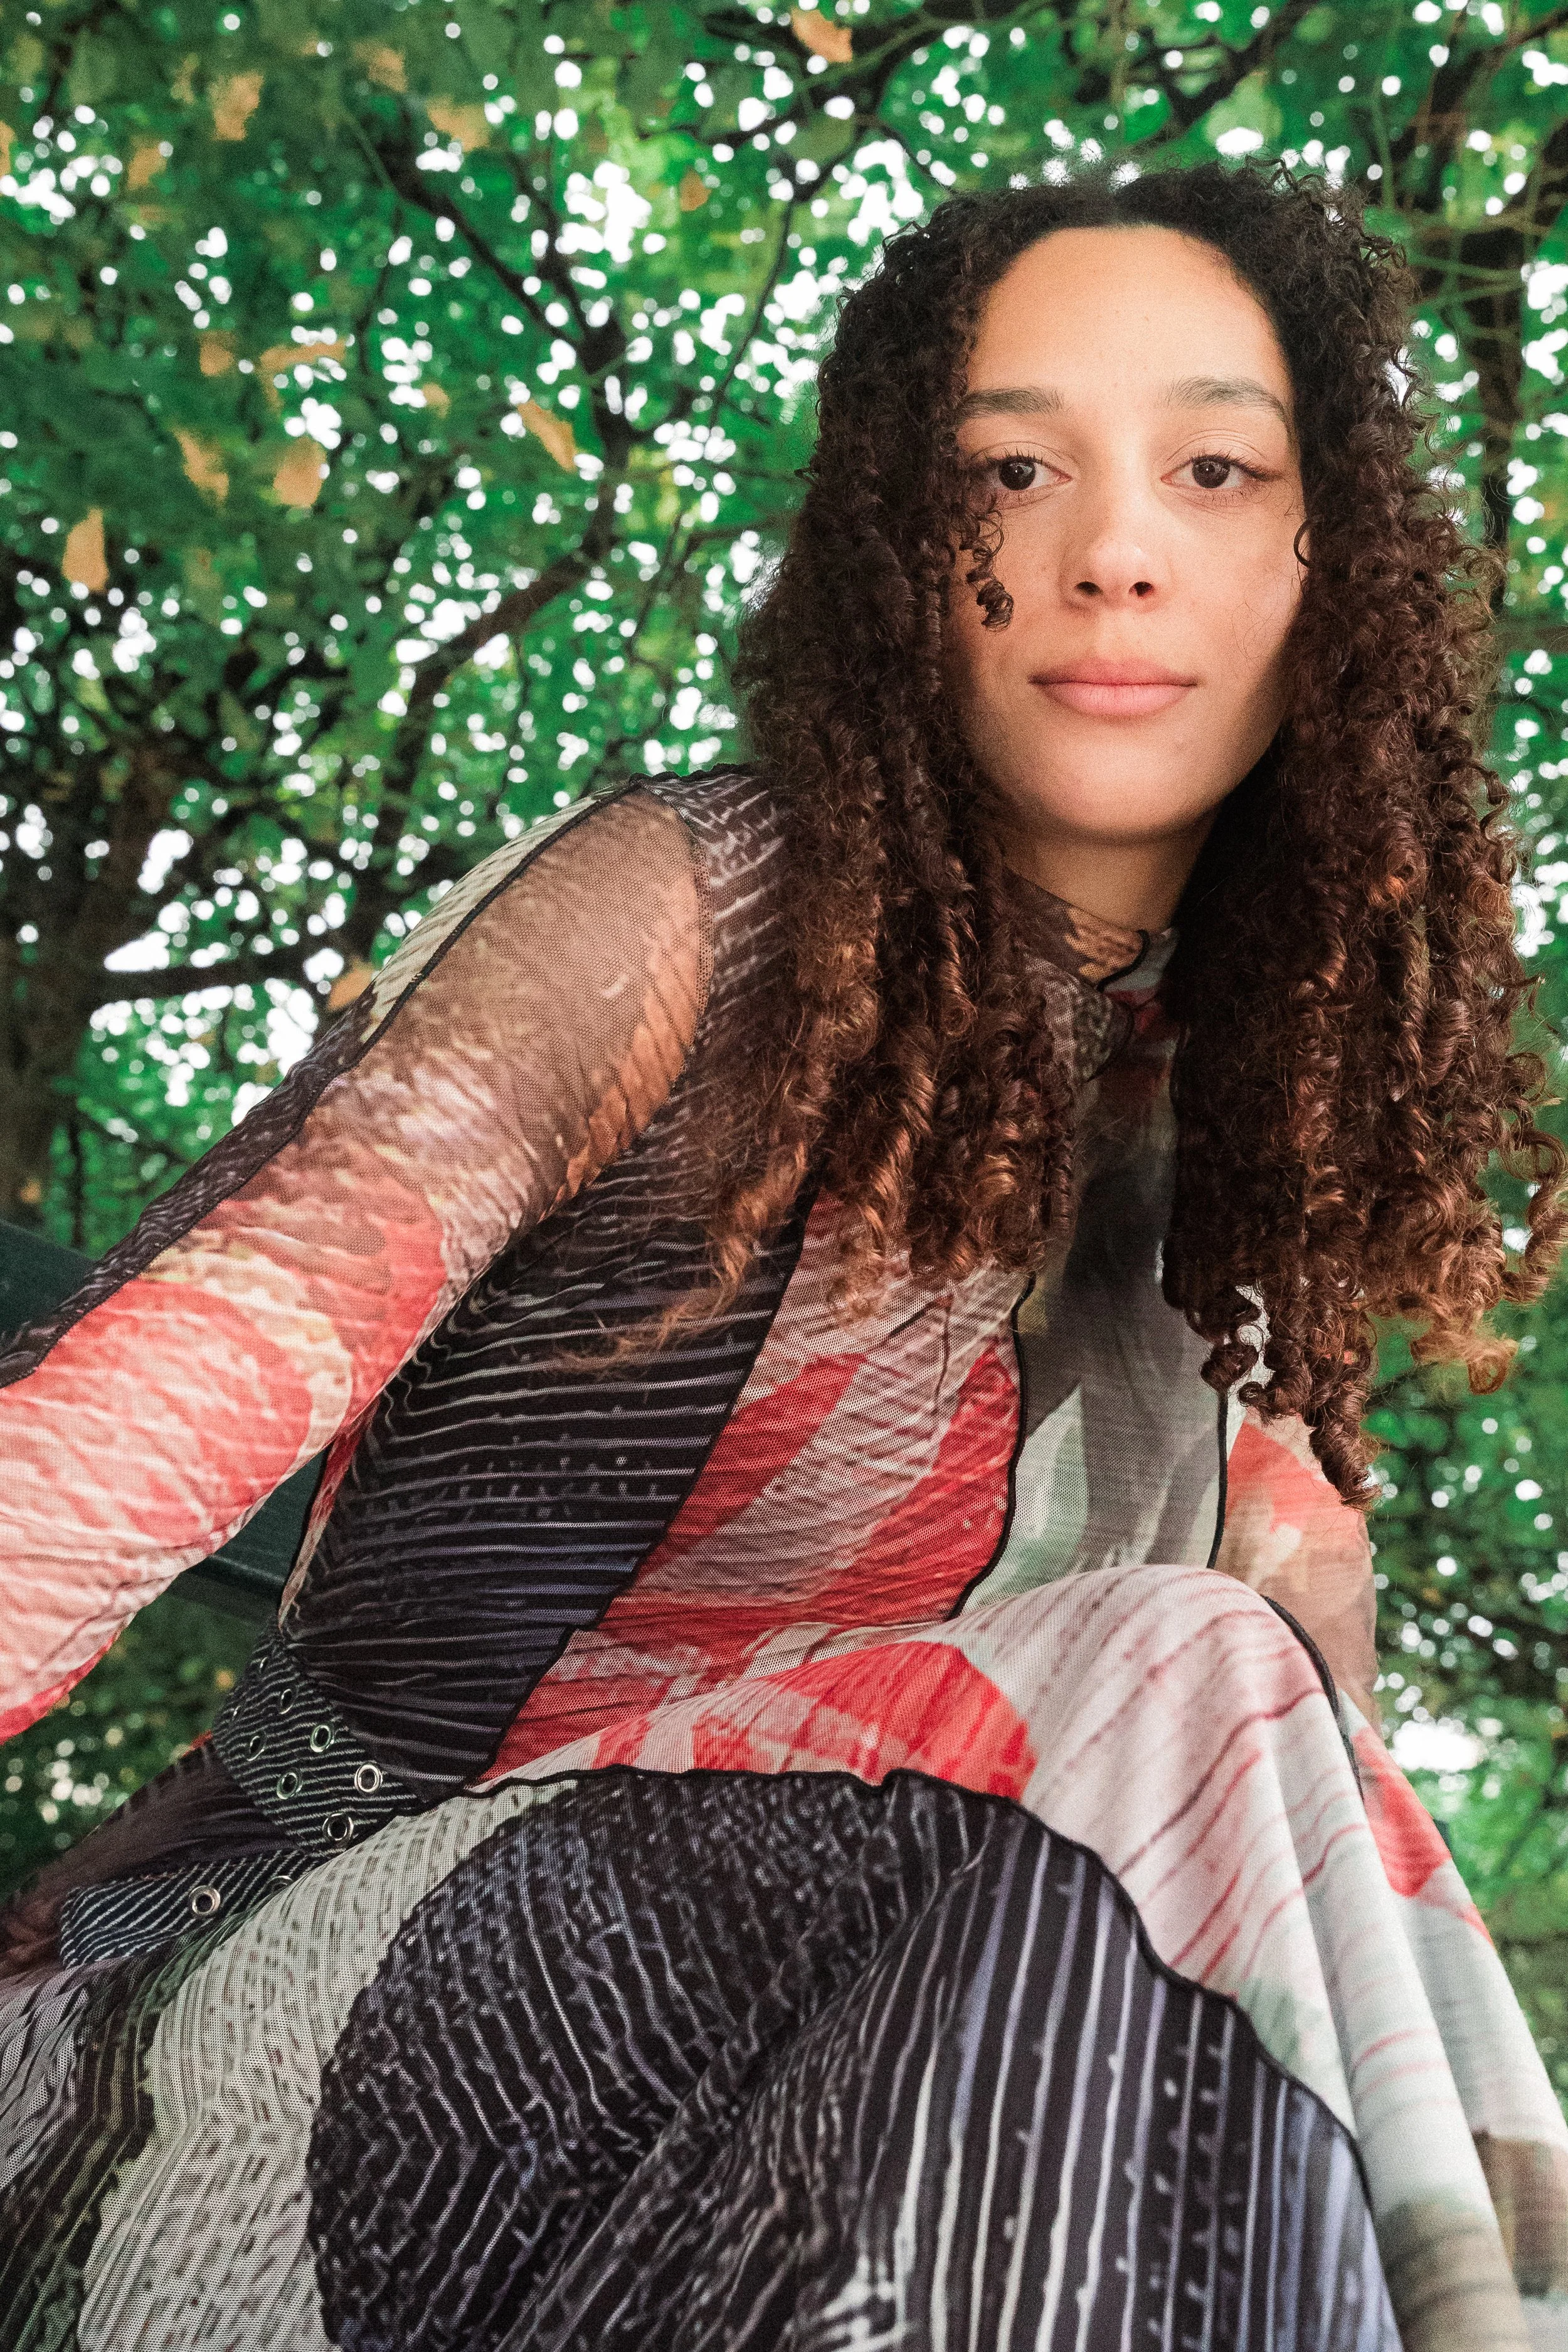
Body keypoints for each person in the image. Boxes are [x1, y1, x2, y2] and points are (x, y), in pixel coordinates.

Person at [1, 158, 1564, 2352]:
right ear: (898, 558)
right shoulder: (686, 915)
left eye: (1212, 470)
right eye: (1009, 470)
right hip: (291, 2054)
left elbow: (1337, 1877)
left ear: (1332, 568)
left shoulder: (1248, 1235)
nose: (1110, 549)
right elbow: (156, 1409)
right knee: (1187, 1677)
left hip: (880, 2169)